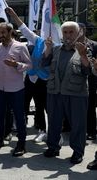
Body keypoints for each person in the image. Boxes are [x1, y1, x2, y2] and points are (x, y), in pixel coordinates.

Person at [42, 21, 91, 165]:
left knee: (77, 124)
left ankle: (77, 152)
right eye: (65, 32)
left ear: (78, 33)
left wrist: (83, 55)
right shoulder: (56, 49)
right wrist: (48, 49)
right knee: (54, 121)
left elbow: (88, 71)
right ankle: (53, 147)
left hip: (76, 93)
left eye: (71, 32)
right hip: (55, 92)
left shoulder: (84, 49)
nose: (68, 35)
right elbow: (44, 63)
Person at [0, 22, 31, 157]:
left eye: (3, 33)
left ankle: (21, 144)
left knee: (19, 116)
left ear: (10, 32)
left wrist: (16, 64)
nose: (0, 36)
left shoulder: (20, 47)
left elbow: (29, 65)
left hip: (16, 88)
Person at [6, 7, 50, 142]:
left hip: (44, 79)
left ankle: (43, 130)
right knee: (23, 103)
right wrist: (14, 15)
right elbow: (24, 29)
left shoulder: (57, 45)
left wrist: (49, 48)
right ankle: (20, 127)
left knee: (41, 106)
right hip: (30, 78)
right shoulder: (38, 41)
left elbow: (46, 62)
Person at [77, 23, 97, 141]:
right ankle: (69, 126)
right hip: (76, 80)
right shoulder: (71, 45)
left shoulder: (94, 45)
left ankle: (91, 131)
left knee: (90, 107)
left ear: (84, 30)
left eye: (80, 29)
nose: (78, 32)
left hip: (91, 79)